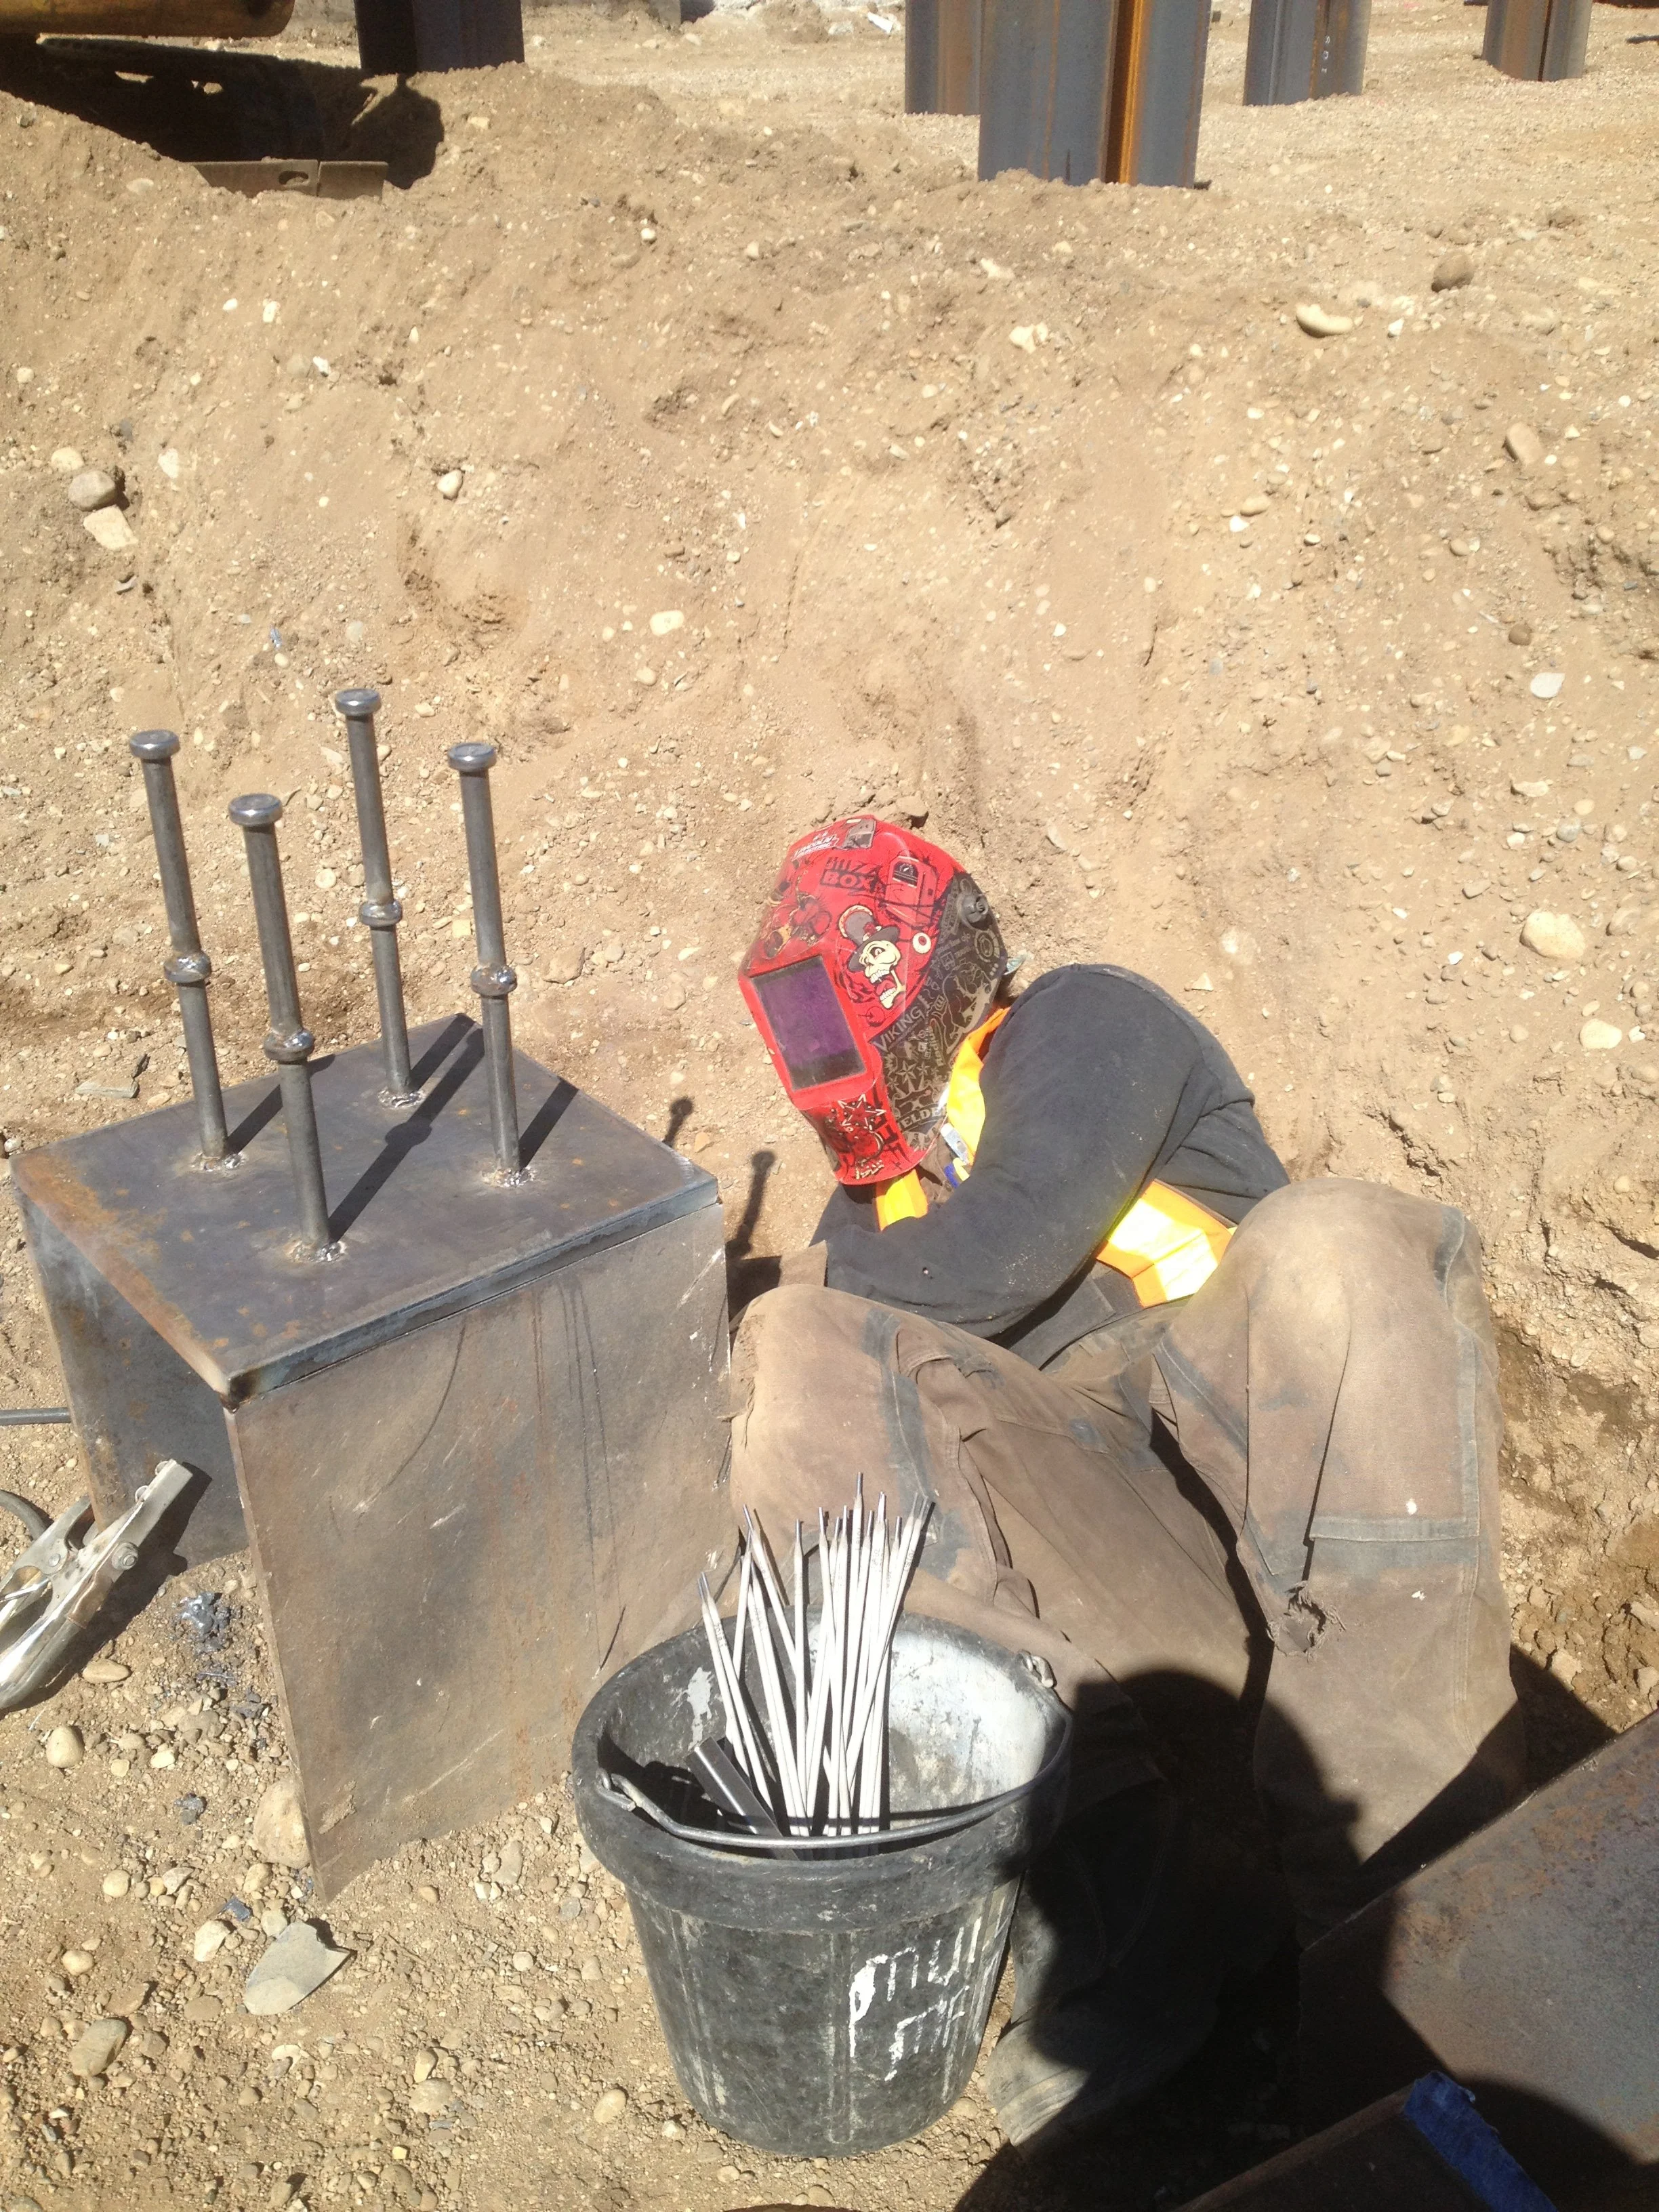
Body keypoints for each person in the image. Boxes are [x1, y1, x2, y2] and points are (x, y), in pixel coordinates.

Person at [728, 815, 1523, 2151]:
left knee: (1334, 1242)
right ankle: (1137, 1938)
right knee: (795, 1360)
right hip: (1130, 1581)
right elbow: (839, 1367)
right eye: (799, 1037)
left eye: (832, 1022)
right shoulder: (875, 1218)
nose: (825, 1069)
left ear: (922, 975)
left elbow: (1006, 1249)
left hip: (1279, 1494)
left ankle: (1435, 1905)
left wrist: (749, 1283)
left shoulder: (1082, 1024)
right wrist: (766, 1314)